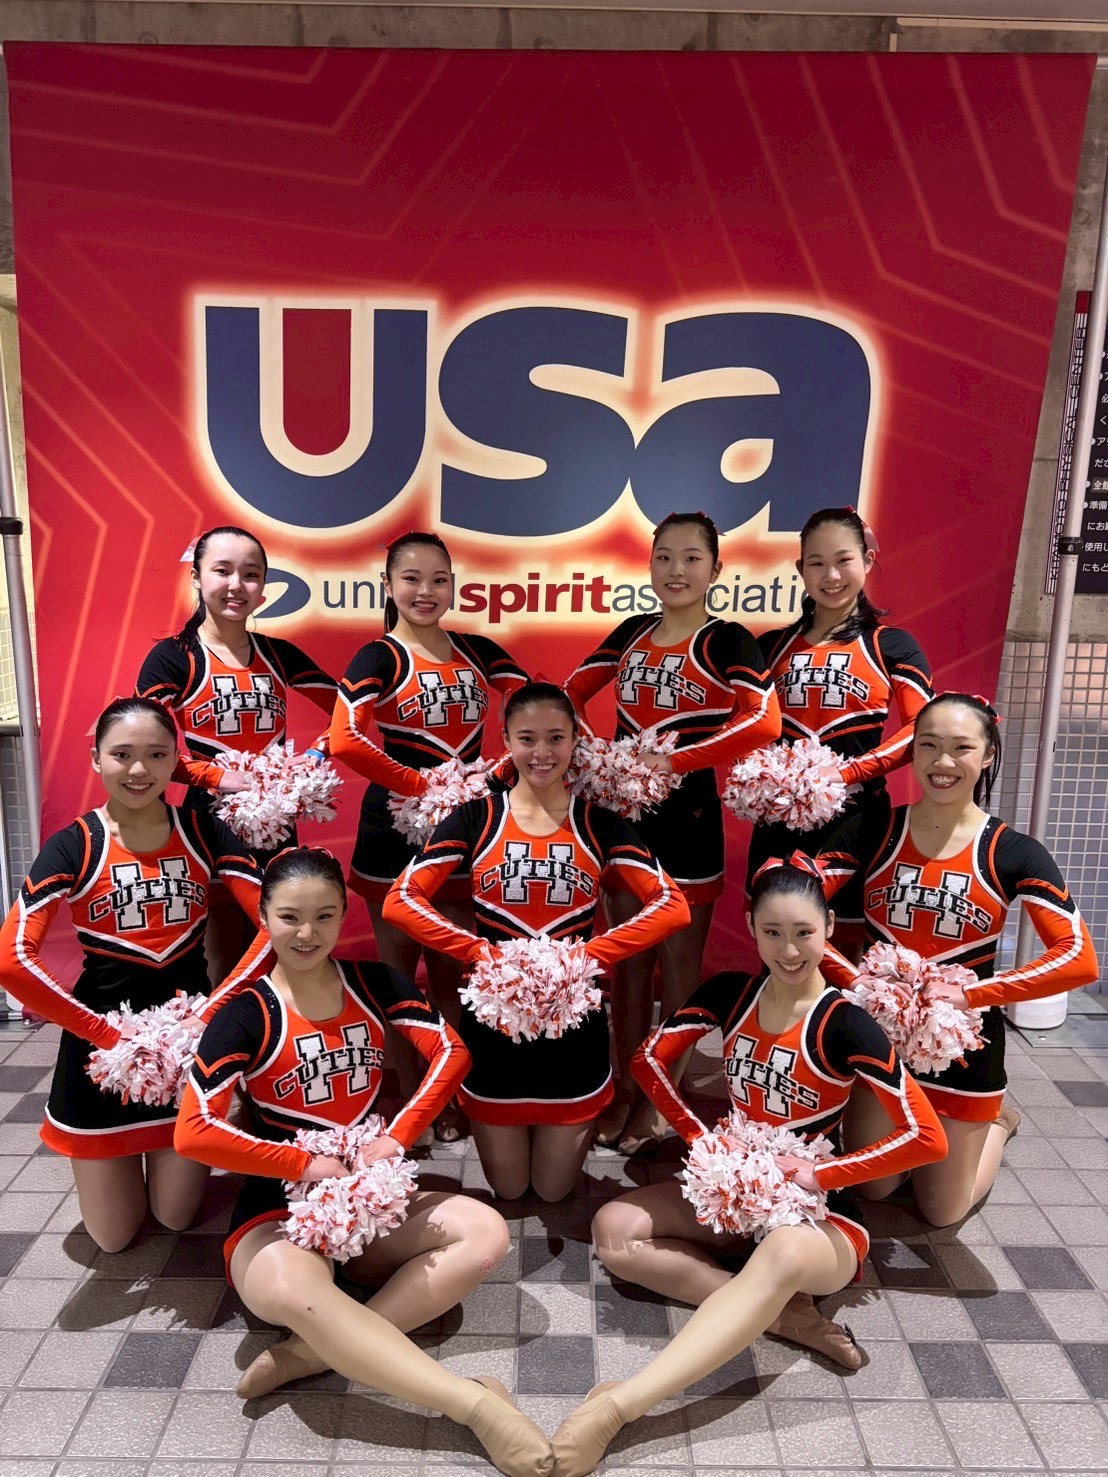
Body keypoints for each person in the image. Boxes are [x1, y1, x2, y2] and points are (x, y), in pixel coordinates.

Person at [547, 856, 945, 1477]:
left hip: (818, 1223)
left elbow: (927, 1138)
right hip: (735, 1197)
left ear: (829, 927)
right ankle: (782, 1317)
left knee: (781, 1254)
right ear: (751, 929)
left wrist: (818, 1175)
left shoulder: (846, 1023)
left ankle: (621, 1406)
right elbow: (649, 1061)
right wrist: (701, 1137)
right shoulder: (732, 992)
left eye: (804, 933)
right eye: (772, 933)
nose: (789, 950)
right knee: (615, 1230)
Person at [175, 848, 553, 1477]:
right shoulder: (244, 1013)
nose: (307, 933)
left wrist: (398, 1136)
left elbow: (451, 1054)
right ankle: (474, 1406)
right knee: (289, 1291)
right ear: (263, 918)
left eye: (324, 916)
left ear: (344, 913)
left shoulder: (374, 982)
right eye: (289, 917)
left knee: (486, 1234)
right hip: (278, 1216)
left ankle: (311, 1354)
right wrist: (303, 1164)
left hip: (371, 1199)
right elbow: (193, 1133)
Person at [383, 682, 690, 1201]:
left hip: (573, 1030)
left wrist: (587, 956)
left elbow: (672, 907)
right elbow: (400, 901)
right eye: (527, 738)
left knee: (552, 1191)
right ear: (506, 741)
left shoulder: (598, 822)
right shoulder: (475, 817)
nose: (542, 752)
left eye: (556, 737)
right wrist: (479, 953)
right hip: (493, 1027)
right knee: (508, 1189)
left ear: (575, 741)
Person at [817, 691, 1098, 1227]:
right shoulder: (875, 829)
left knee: (941, 1211)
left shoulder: (1012, 850)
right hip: (880, 1035)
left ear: (988, 754)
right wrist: (859, 983)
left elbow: (1079, 960)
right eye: (928, 745)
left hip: (966, 1045)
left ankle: (997, 1123)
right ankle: (924, 1138)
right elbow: (796, 914)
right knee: (874, 1189)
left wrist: (971, 994)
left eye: (961, 748)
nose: (943, 762)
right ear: (912, 751)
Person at [0, 697, 263, 1252]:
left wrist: (211, 1013)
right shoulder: (74, 843)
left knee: (176, 1217)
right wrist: (103, 1034)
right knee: (114, 1237)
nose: (139, 769)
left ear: (175, 762)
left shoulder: (203, 830)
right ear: (96, 759)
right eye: (122, 754)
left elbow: (276, 928)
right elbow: (12, 960)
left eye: (157, 754)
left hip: (186, 1044)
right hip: (103, 1051)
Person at [565, 512, 781, 1153]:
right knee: (627, 963)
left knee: (678, 967)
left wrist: (675, 761)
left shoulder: (728, 640)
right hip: (624, 817)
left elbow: (763, 722)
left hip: (689, 820)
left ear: (716, 569)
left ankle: (664, 1098)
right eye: (664, 557)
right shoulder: (633, 630)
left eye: (691, 558)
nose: (676, 570)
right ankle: (624, 1091)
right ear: (650, 564)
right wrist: (601, 755)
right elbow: (572, 693)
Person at [329, 530, 527, 1141]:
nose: (425, 591)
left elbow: (539, 704)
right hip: (392, 830)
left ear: (453, 585)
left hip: (463, 829)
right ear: (388, 585)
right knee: (398, 973)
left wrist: (497, 771)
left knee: (451, 968)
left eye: (439, 579)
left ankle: (449, 1092)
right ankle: (410, 1094)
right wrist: (419, 786)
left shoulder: (475, 648)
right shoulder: (378, 657)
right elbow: (345, 739)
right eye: (411, 579)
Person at [136, 525, 337, 976]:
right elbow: (146, 750)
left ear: (263, 585)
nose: (236, 585)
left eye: (250, 574)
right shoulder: (174, 658)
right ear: (196, 577)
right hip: (207, 822)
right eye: (222, 571)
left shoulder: (278, 654)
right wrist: (215, 777)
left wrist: (313, 760)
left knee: (279, 944)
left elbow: (348, 713)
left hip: (274, 824)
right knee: (221, 956)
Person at [749, 505, 933, 958]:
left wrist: (844, 775)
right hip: (778, 824)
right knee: (777, 948)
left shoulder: (891, 645)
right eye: (816, 563)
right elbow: (742, 727)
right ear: (800, 569)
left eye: (844, 560)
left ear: (867, 560)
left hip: (855, 823)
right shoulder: (770, 647)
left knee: (846, 955)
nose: (831, 576)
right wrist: (754, 779)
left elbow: (921, 732)